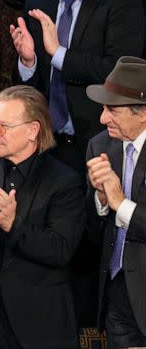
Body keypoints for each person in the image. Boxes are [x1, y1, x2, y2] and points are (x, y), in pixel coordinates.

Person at [0, 85, 85, 348]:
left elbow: (60, 249)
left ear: (33, 130)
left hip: (39, 325)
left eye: (4, 126)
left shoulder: (64, 181)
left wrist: (13, 225)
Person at [10, 0, 144, 177]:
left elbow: (117, 73)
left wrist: (58, 53)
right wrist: (27, 61)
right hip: (46, 144)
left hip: (98, 143)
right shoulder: (37, 4)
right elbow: (27, 86)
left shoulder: (121, 1)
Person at [85, 56, 146, 348]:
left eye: (112, 109)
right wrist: (100, 197)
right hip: (117, 292)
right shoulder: (100, 145)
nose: (102, 118)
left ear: (143, 114)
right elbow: (89, 230)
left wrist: (119, 203)